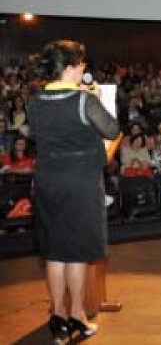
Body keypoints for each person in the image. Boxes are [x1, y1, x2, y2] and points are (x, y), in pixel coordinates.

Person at [26, 40, 120, 342]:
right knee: (77, 254)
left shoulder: (35, 101)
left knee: (55, 253)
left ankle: (58, 318)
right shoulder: (84, 101)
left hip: (47, 182)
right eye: (81, 65)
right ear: (68, 68)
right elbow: (112, 131)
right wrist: (96, 99)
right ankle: (78, 316)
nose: (84, 70)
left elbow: (39, 135)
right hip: (79, 182)